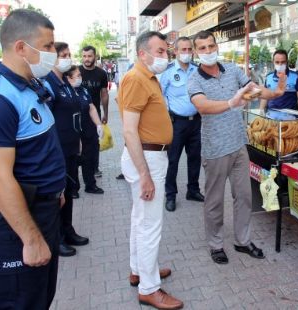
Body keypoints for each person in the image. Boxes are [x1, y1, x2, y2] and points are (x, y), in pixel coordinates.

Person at [0, 9, 66, 308]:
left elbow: (41, 151)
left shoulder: (32, 86)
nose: (53, 53)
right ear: (21, 47)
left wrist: (56, 192)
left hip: (43, 211)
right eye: (46, 47)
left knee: (40, 298)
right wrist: (30, 240)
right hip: (16, 226)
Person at [187, 30, 286, 265]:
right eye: (202, 48)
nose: (208, 51)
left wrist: (276, 92)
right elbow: (202, 106)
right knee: (214, 200)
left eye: (211, 46)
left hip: (239, 144)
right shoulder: (195, 79)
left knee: (243, 196)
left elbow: (254, 90)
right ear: (195, 52)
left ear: (216, 47)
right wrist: (231, 102)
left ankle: (243, 241)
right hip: (215, 149)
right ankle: (215, 244)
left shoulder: (231, 70)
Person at [118, 31, 183, 310]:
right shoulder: (135, 79)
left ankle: (141, 270)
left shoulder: (149, 78)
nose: (164, 55)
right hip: (146, 158)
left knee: (140, 219)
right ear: (142, 53)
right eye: (158, 51)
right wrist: (144, 174)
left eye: (165, 50)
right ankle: (149, 288)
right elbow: (129, 131)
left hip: (151, 156)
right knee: (149, 225)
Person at [44, 42, 90, 257]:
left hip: (71, 146)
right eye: (63, 55)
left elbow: (75, 114)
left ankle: (68, 230)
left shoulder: (64, 83)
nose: (68, 58)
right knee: (58, 195)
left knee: (70, 192)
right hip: (57, 150)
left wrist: (78, 139)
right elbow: (48, 121)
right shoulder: (48, 84)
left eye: (69, 54)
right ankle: (57, 239)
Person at [160, 36, 204, 212]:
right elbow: (160, 96)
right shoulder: (168, 71)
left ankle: (193, 191)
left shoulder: (198, 70)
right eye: (182, 50)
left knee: (194, 158)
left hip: (196, 122)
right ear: (175, 52)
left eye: (189, 50)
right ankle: (170, 195)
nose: (186, 53)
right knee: (172, 161)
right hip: (176, 123)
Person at [64, 65, 104, 198]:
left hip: (88, 131)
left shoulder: (83, 90)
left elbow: (91, 107)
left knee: (89, 159)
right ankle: (73, 189)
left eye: (80, 75)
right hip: (73, 132)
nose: (81, 78)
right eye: (78, 76)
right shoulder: (65, 92)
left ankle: (90, 185)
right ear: (68, 78)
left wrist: (98, 124)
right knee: (73, 162)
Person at [79, 45, 109, 178]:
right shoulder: (76, 72)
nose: (86, 59)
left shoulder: (101, 74)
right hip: (77, 115)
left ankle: (95, 168)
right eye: (84, 56)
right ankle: (78, 169)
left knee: (94, 143)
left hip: (95, 114)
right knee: (78, 143)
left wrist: (106, 113)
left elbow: (104, 94)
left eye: (89, 56)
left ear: (95, 57)